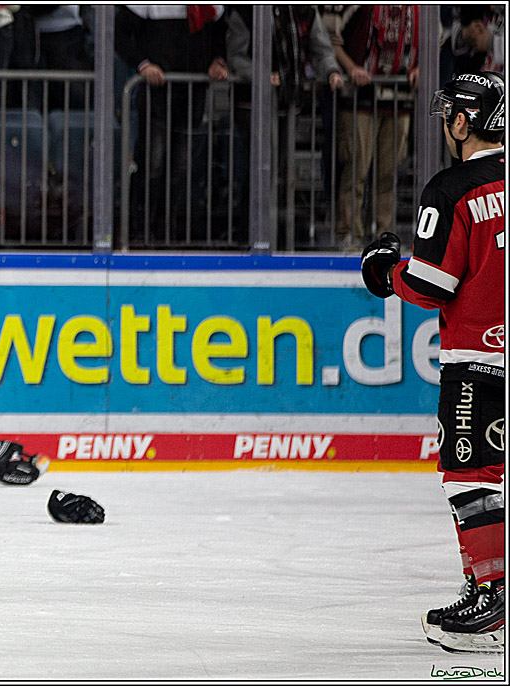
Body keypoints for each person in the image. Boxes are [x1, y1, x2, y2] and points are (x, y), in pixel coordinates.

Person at [361, 71, 505, 655]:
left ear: (464, 122)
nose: (448, 124)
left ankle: (492, 600)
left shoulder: (452, 189)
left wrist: (383, 272)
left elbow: (433, 283)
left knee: (471, 477)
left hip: (478, 360)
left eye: (451, 115)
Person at [225, 5, 345, 243]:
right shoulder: (246, 11)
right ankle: (249, 235)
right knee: (257, 171)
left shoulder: (304, 11)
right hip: (251, 106)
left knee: (279, 172)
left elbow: (321, 49)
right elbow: (236, 56)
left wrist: (331, 71)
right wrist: (259, 74)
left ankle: (274, 235)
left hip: (287, 103)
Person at [115, 4, 229, 246]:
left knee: (180, 165)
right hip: (157, 92)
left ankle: (166, 231)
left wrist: (218, 61)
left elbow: (221, 35)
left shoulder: (211, 7)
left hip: (192, 91)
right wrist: (143, 64)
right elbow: (120, 34)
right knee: (152, 162)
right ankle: (140, 231)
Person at [328, 5, 419, 252]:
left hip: (399, 99)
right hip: (360, 99)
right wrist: (351, 68)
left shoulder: (421, 8)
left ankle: (383, 235)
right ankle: (349, 233)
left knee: (388, 172)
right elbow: (331, 37)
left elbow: (437, 38)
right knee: (356, 167)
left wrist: (422, 67)